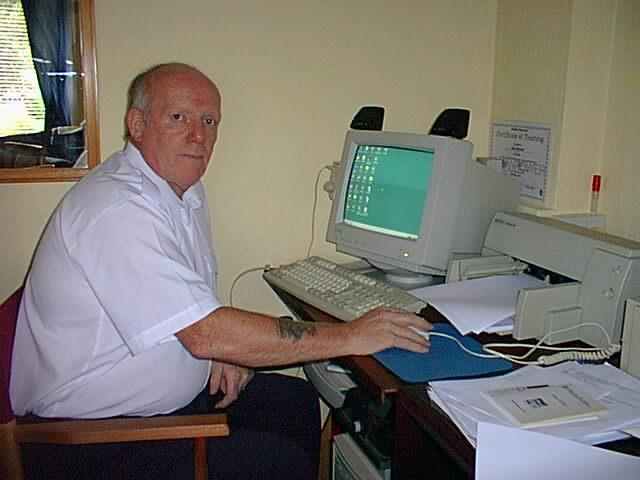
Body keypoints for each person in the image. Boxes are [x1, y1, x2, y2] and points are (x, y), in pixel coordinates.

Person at [10, 63, 432, 479]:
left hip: (153, 404)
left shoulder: (183, 193)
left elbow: (187, 313)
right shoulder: (117, 209)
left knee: (295, 402)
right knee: (276, 460)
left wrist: (221, 353)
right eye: (179, 118)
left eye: (209, 121)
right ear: (137, 125)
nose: (199, 136)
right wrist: (350, 336)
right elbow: (204, 332)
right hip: (92, 440)